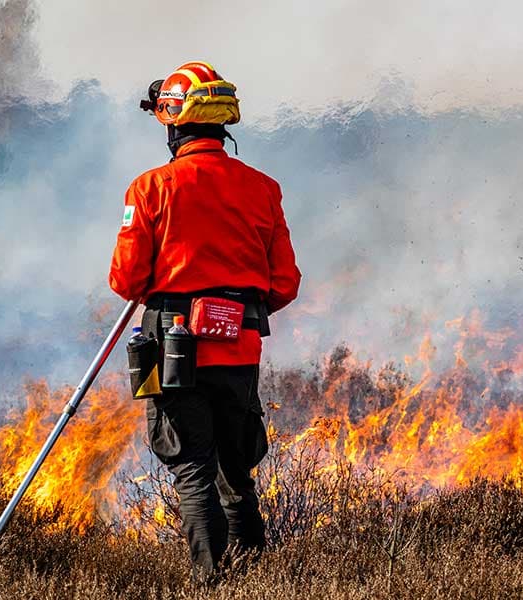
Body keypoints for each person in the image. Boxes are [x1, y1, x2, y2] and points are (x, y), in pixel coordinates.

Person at [108, 61, 301, 578]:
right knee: (236, 471)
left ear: (174, 123)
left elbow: (126, 281)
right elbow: (284, 285)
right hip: (239, 350)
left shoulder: (149, 189)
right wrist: (231, 310)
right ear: (223, 124)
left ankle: (211, 584)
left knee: (193, 467)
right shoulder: (264, 189)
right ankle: (257, 582)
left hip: (171, 356)